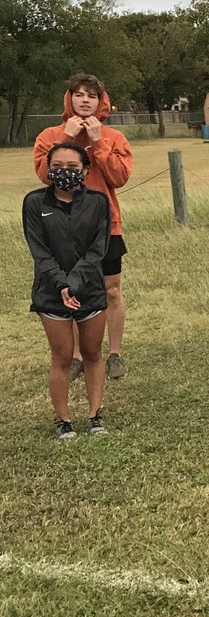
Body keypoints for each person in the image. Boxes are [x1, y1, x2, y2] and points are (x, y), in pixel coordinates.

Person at [33, 74, 133, 380]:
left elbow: (119, 178)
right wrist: (66, 137)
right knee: (71, 289)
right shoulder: (49, 135)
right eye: (78, 94)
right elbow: (43, 175)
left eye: (92, 95)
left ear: (102, 101)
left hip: (105, 226)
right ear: (69, 99)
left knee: (111, 291)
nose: (85, 100)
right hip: (62, 226)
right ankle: (76, 355)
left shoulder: (114, 137)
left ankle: (114, 353)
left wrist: (98, 142)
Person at [23, 142, 112, 440]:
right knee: (61, 356)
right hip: (51, 291)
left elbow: (98, 249)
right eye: (57, 166)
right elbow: (40, 252)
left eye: (72, 168)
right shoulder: (34, 203)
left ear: (85, 170)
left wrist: (75, 281)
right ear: (47, 169)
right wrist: (61, 283)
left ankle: (95, 414)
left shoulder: (99, 202)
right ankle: (63, 420)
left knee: (92, 352)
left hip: (89, 289)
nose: (64, 173)